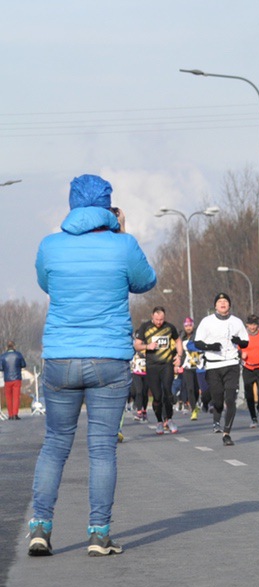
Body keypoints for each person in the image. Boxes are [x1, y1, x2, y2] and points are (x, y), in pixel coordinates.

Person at [28, 174, 156, 557]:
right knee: (102, 449)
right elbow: (145, 281)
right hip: (109, 359)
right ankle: (99, 534)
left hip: (61, 358)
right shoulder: (123, 245)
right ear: (107, 206)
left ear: (72, 204)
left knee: (55, 445)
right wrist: (122, 232)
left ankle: (40, 528)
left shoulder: (50, 245)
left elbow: (47, 284)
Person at [193, 293, 248, 446]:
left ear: (229, 305)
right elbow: (197, 342)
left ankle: (226, 433)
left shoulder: (237, 322)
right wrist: (210, 346)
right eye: (220, 301)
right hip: (213, 365)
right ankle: (215, 412)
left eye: (225, 301)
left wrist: (239, 341)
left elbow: (245, 342)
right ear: (215, 306)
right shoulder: (207, 321)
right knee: (217, 400)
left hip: (231, 363)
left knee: (230, 399)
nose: (223, 303)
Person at [133, 306, 181, 435]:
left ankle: (169, 419)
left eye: (161, 319)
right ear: (152, 317)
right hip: (152, 366)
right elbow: (137, 345)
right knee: (157, 396)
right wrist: (147, 346)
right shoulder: (145, 327)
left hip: (166, 365)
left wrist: (179, 356)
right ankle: (159, 421)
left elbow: (178, 341)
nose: (159, 322)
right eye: (157, 319)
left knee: (168, 392)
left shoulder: (169, 327)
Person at [240, 314, 259, 428]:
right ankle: (253, 418)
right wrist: (241, 354)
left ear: (257, 325)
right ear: (246, 325)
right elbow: (236, 349)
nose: (252, 327)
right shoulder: (242, 335)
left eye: (254, 325)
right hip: (248, 368)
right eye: (250, 325)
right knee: (249, 395)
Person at [179, 317, 202, 420]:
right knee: (190, 389)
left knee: (196, 389)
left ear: (193, 326)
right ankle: (193, 410)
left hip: (198, 366)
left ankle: (195, 404)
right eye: (186, 326)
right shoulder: (181, 337)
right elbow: (178, 351)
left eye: (190, 325)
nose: (188, 328)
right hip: (187, 367)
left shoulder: (198, 335)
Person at [1, 341, 27, 420]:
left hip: (7, 379)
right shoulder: (18, 355)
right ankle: (15, 414)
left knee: (8, 397)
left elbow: (1, 368)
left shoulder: (3, 356)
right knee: (16, 397)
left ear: (7, 347)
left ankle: (10, 415)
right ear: (14, 346)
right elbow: (23, 364)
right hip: (16, 378)